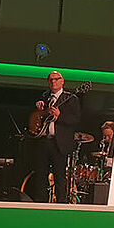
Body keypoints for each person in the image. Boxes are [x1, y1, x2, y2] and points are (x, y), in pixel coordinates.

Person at [27, 70, 82, 203]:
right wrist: (40, 110)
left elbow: (75, 120)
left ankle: (61, 204)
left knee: (59, 176)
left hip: (59, 143)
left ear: (62, 81)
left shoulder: (71, 98)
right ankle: (40, 203)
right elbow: (37, 119)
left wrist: (59, 116)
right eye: (51, 80)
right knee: (40, 175)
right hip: (43, 141)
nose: (53, 82)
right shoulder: (45, 97)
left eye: (56, 79)